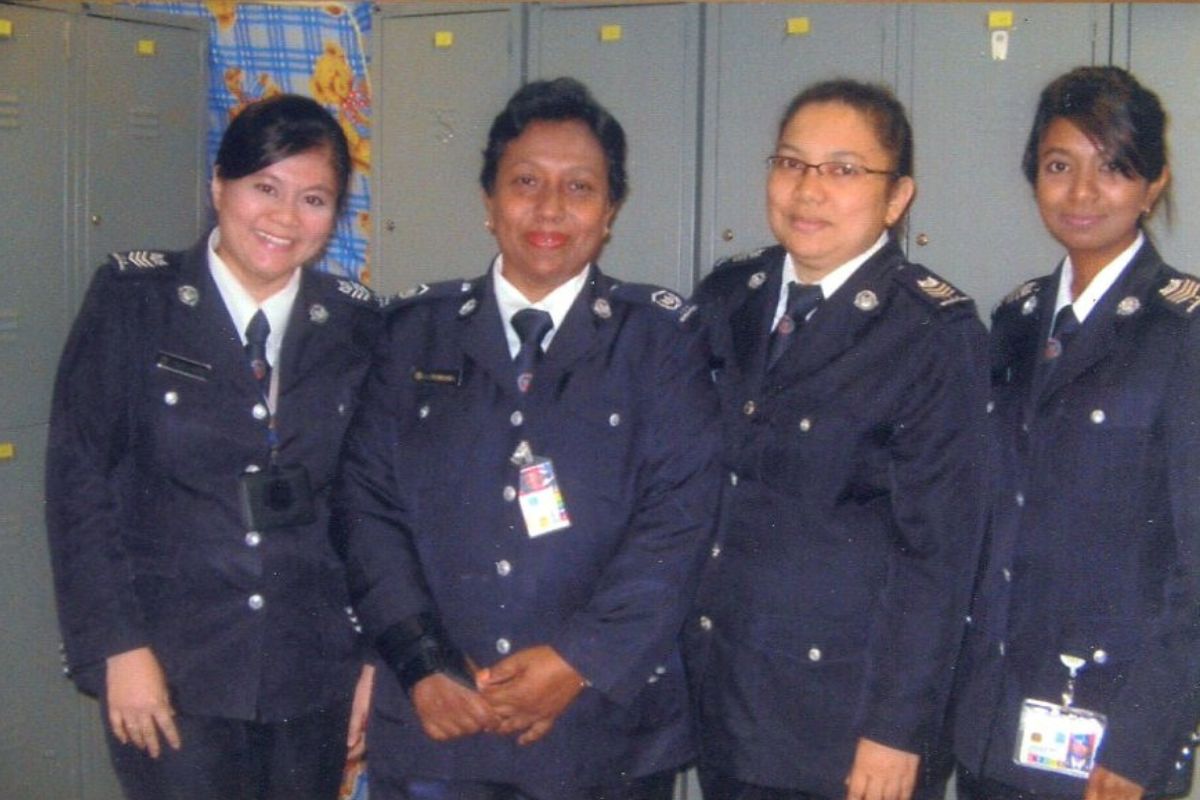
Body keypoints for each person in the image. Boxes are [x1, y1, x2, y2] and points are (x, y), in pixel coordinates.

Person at [330, 77, 721, 800]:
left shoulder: (661, 344)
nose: (549, 209)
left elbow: (680, 520)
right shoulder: (414, 332)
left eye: (579, 187)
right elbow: (365, 508)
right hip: (437, 723)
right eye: (525, 182)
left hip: (602, 726)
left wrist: (578, 661)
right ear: (489, 202)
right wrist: (422, 664)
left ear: (610, 211)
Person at [45, 94, 383, 800]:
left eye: (314, 198)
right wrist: (116, 647)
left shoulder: (354, 325)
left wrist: (372, 662)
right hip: (171, 672)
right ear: (218, 185)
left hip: (312, 671)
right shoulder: (135, 301)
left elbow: (373, 512)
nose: (286, 218)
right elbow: (79, 485)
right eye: (266, 187)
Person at [684, 78, 990, 800]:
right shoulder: (730, 296)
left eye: (844, 169)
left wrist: (896, 728)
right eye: (791, 163)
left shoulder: (931, 335)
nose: (809, 190)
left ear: (897, 197)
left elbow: (940, 557)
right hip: (724, 694)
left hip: (844, 720)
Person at [952, 66, 1200, 800]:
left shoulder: (1183, 331)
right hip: (993, 718)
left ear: (1153, 183)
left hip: (1107, 735)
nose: (1082, 193)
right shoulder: (1017, 321)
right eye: (1060, 166)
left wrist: (1144, 739)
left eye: (1113, 168)